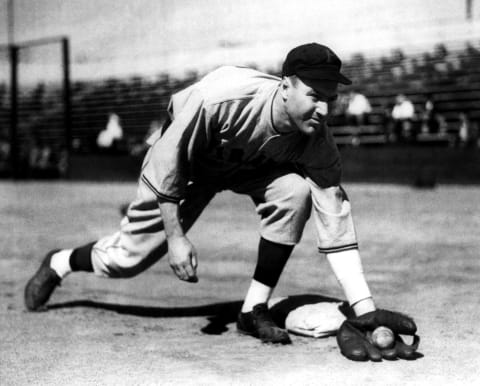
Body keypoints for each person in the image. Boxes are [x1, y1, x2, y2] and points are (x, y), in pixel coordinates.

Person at [24, 43, 419, 362]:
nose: (324, 109)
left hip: (247, 169)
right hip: (188, 168)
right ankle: (60, 261)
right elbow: (168, 161)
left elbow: (334, 213)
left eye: (330, 98)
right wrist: (175, 236)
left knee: (295, 192)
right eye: (315, 95)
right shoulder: (222, 98)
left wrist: (363, 306)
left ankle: (252, 310)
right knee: (126, 260)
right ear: (286, 84)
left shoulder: (317, 138)